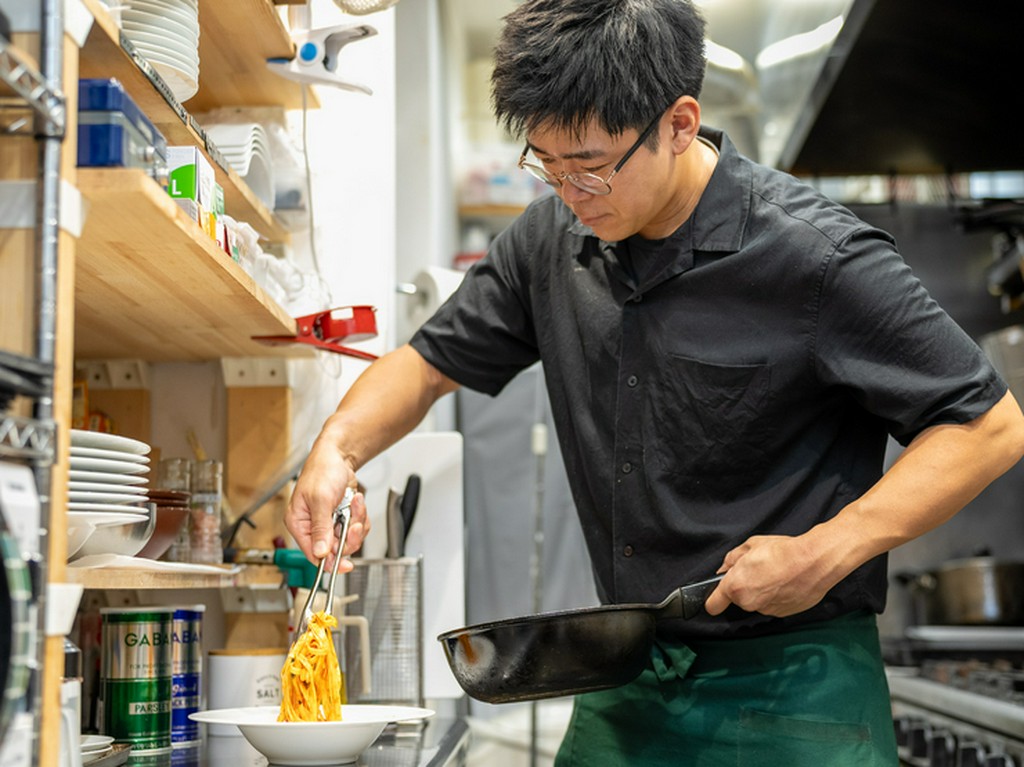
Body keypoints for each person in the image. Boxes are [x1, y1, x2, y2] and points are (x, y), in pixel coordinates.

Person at [286, 0, 1024, 763]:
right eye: (547, 162)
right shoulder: (550, 241)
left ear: (678, 123)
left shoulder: (818, 256)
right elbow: (427, 364)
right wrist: (337, 448)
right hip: (628, 669)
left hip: (795, 683)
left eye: (593, 166)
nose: (570, 192)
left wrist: (832, 547)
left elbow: (990, 426)